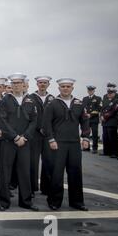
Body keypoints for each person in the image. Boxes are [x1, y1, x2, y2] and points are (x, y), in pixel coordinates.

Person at [43, 78, 90, 211]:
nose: (65, 88)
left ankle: (77, 202)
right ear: (59, 88)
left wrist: (86, 138)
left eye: (68, 86)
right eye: (63, 86)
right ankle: (54, 201)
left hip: (74, 144)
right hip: (58, 144)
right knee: (56, 174)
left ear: (72, 88)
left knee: (75, 173)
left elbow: (85, 122)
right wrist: (51, 139)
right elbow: (46, 124)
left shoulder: (78, 103)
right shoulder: (53, 104)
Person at [0, 73, 38, 211]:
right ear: (11, 85)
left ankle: (25, 201)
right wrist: (15, 137)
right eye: (13, 83)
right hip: (9, 142)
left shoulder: (30, 100)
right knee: (5, 172)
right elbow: (2, 121)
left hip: (24, 142)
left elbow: (34, 121)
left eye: (19, 83)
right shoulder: (5, 100)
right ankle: (3, 201)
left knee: (25, 172)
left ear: (24, 84)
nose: (16, 86)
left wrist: (25, 136)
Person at [29, 76, 55, 196]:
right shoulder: (30, 98)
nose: (42, 84)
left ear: (48, 84)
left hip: (47, 135)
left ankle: (46, 188)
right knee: (32, 162)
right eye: (40, 82)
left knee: (48, 161)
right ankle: (32, 188)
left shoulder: (53, 99)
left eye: (45, 83)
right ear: (37, 84)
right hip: (34, 134)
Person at [101, 87, 118, 158]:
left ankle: (114, 153)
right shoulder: (105, 101)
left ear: (114, 93)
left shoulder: (116, 101)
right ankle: (106, 151)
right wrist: (101, 116)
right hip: (105, 122)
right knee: (105, 137)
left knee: (112, 138)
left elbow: (113, 111)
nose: (109, 94)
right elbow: (102, 110)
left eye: (111, 93)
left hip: (112, 121)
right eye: (108, 93)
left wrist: (105, 117)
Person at [82, 85, 102, 154]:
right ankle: (86, 147)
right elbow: (83, 108)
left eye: (91, 90)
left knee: (94, 134)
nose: (90, 91)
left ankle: (94, 148)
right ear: (87, 91)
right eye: (89, 90)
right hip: (86, 119)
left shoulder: (98, 98)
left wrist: (91, 114)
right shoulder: (85, 99)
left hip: (94, 119)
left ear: (93, 91)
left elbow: (99, 108)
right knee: (86, 133)